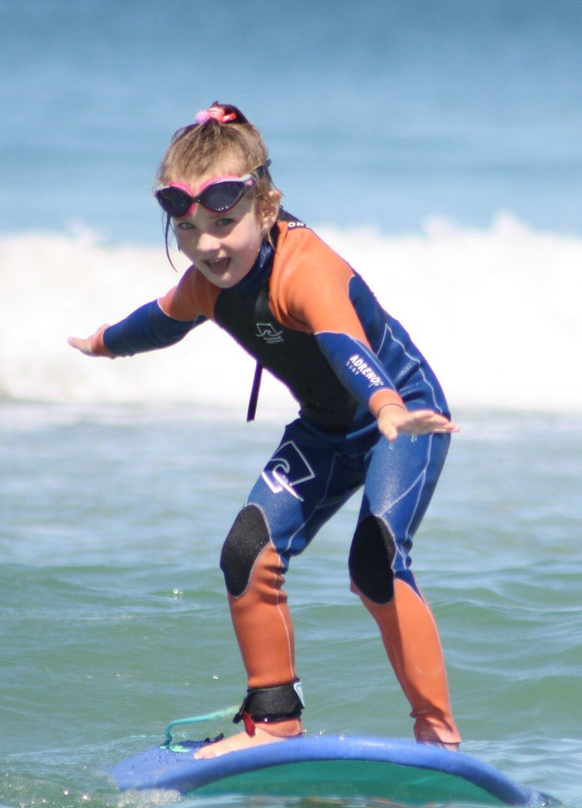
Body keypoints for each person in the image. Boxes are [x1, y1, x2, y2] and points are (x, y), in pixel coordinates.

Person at [68, 102, 461, 759]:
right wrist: (106, 342)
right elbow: (160, 321)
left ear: (267, 205)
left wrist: (388, 405)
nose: (209, 245)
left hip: (404, 416)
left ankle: (437, 734)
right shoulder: (207, 285)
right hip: (326, 431)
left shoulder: (304, 272)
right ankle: (274, 717)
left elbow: (343, 346)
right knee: (245, 552)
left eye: (224, 223)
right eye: (189, 230)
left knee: (375, 559)